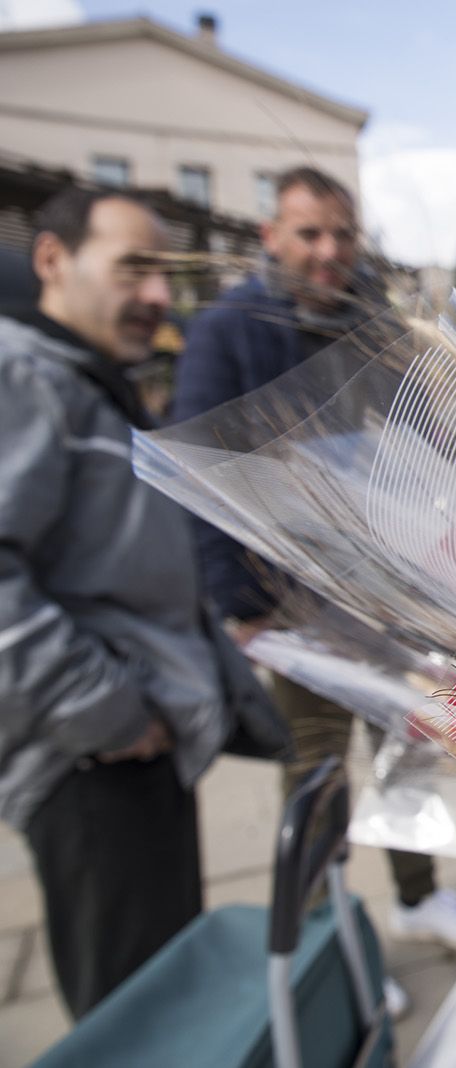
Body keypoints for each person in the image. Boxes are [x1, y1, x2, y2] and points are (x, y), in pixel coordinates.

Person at [170, 168, 456, 1007]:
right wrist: (239, 606)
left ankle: (421, 900)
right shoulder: (226, 333)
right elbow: (195, 474)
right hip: (288, 604)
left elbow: (419, 446)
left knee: (408, 744)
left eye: (342, 235)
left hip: (384, 593)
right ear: (271, 236)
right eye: (309, 233)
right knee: (317, 771)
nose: (329, 251)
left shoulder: (372, 325)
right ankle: (323, 938)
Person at [0, 187, 289, 1019]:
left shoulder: (92, 383)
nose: (160, 296)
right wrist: (109, 713)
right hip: (92, 764)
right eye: (134, 268)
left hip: (137, 744)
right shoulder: (25, 379)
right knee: (140, 1017)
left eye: (163, 273)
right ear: (53, 261)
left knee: (173, 992)